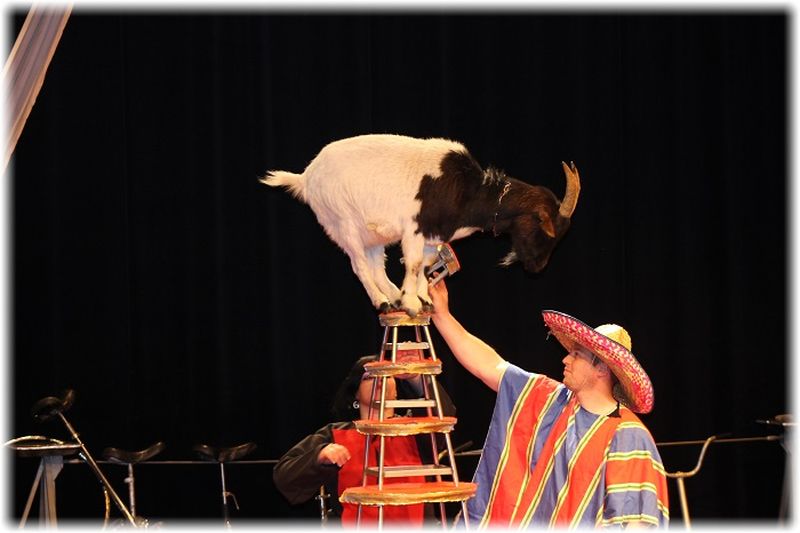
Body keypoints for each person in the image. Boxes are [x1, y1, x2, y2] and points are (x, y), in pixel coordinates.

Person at [428, 280, 669, 528]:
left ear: (602, 369)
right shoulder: (552, 400)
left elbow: (637, 522)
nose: (565, 359)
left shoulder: (627, 433)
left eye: (577, 355)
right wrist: (442, 315)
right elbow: (489, 366)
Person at [273, 350, 456, 527]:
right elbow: (284, 476)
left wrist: (416, 376)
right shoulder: (335, 434)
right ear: (356, 394)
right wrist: (319, 456)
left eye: (387, 375)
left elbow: (443, 414)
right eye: (369, 377)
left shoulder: (416, 429)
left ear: (397, 391)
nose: (380, 380)